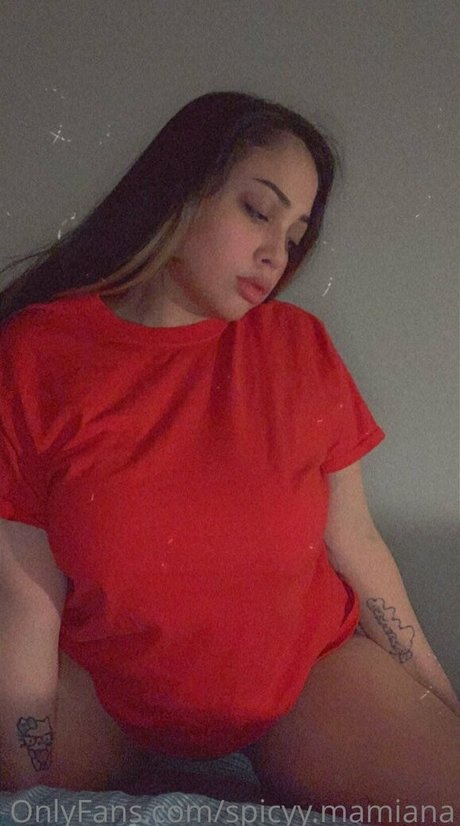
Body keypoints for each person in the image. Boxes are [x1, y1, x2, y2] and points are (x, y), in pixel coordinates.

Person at [0, 91, 458, 822]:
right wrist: (30, 793)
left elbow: (357, 544)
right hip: (107, 687)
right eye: (258, 211)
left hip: (302, 681)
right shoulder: (39, 354)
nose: (277, 253)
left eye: (296, 234)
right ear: (181, 192)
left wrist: (441, 701)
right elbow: (26, 595)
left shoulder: (298, 347)